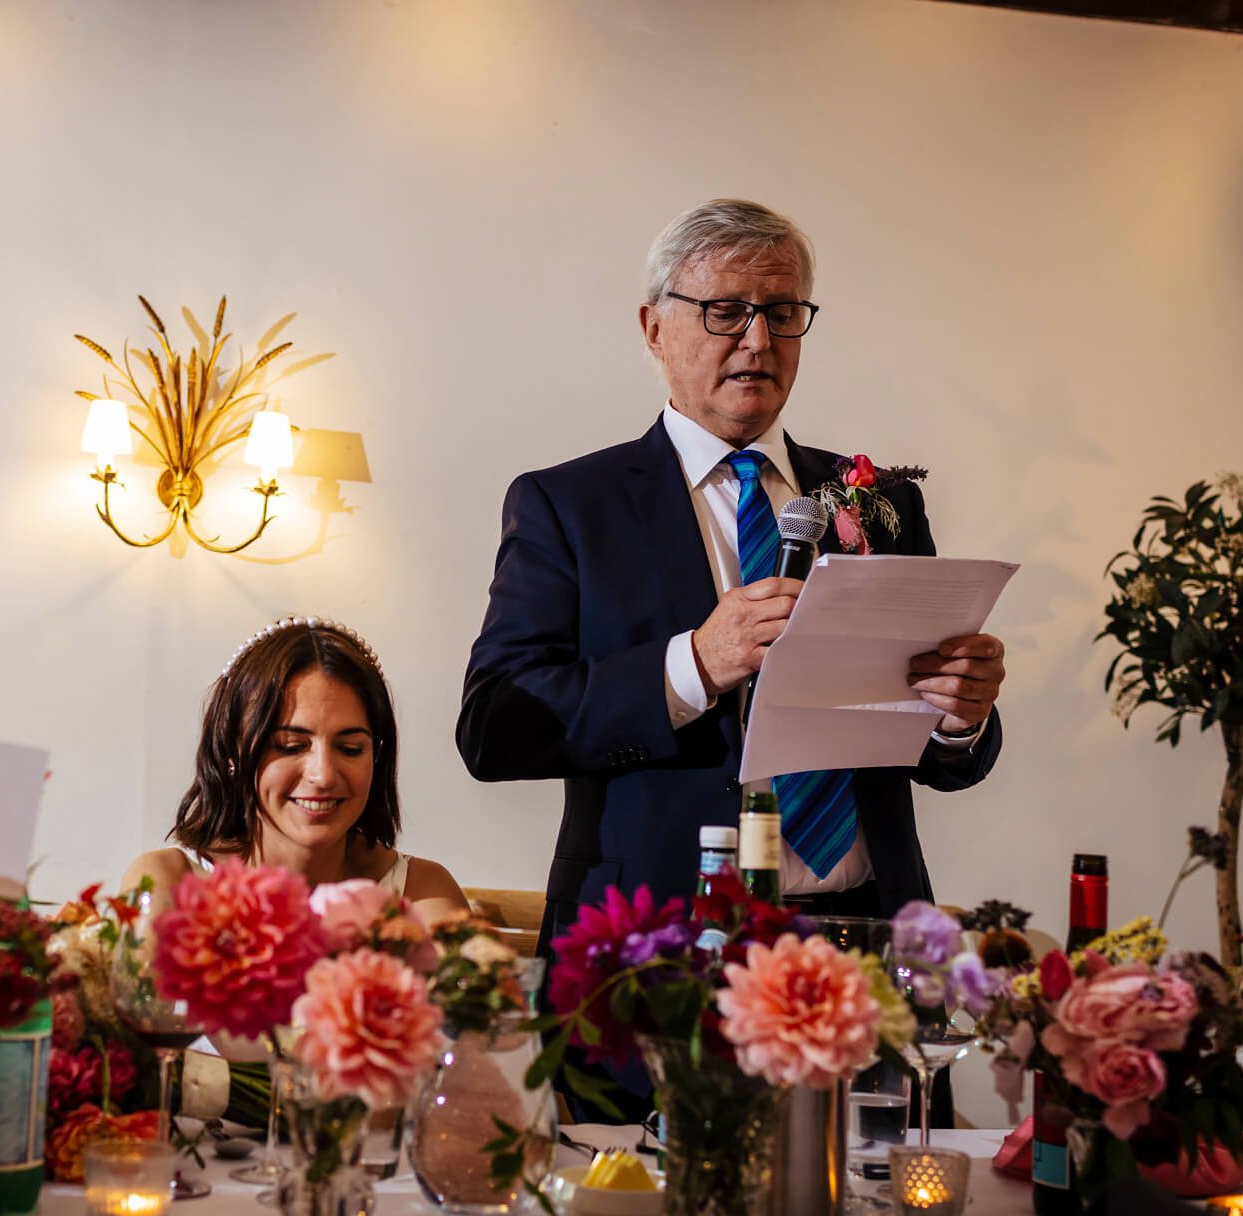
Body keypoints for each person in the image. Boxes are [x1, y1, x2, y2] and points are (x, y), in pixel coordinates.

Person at [457, 198, 1005, 957]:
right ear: (654, 328)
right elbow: (493, 730)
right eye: (726, 311)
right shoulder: (567, 506)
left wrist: (960, 714)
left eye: (783, 312)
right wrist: (695, 664)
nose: (759, 339)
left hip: (864, 939)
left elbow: (941, 758)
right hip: (652, 951)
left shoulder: (879, 503)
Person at [124, 617, 468, 915]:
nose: (323, 775)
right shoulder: (166, 883)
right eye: (290, 746)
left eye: (350, 748)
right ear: (231, 750)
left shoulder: (422, 892)